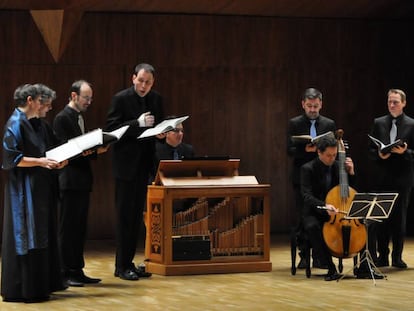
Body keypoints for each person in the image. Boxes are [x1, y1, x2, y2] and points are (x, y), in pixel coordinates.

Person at [1, 84, 67, 302]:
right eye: (42, 102)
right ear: (30, 100)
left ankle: (40, 286)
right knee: (25, 235)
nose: (44, 107)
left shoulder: (33, 123)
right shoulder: (15, 122)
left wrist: (55, 161)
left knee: (39, 234)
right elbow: (11, 158)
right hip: (21, 190)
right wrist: (41, 161)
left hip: (37, 188)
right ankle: (23, 289)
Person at [106, 63, 164, 281]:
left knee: (136, 217)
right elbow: (111, 130)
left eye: (148, 82)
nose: (143, 86)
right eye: (140, 80)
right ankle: (121, 266)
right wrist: (136, 123)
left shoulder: (156, 99)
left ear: (153, 83)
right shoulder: (120, 99)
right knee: (124, 217)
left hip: (144, 165)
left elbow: (158, 125)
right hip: (125, 166)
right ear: (133, 78)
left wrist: (160, 133)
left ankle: (129, 262)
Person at [53, 80, 104, 286]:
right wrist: (94, 150)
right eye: (86, 97)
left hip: (81, 181)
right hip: (69, 181)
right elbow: (67, 151)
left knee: (80, 228)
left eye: (91, 98)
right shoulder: (62, 118)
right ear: (74, 96)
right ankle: (65, 271)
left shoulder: (79, 117)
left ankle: (77, 269)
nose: (89, 102)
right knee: (68, 229)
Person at [287, 87, 336, 268]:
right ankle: (304, 256)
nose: (313, 109)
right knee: (303, 216)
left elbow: (332, 148)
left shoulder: (329, 124)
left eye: (316, 106)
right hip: (302, 176)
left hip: (323, 176)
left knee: (321, 215)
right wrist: (304, 150)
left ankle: (319, 255)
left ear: (321, 104)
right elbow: (289, 150)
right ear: (303, 104)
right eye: (309, 106)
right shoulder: (294, 123)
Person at [368, 89, 414, 269]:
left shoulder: (412, 124)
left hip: (403, 177)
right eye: (389, 102)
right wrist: (380, 154)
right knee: (381, 219)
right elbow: (370, 150)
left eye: (395, 102)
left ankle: (397, 257)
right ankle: (382, 256)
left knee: (399, 218)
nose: (392, 105)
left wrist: (406, 152)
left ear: (404, 103)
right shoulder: (378, 122)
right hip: (383, 177)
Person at [300, 135, 356, 281]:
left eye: (335, 155)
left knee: (366, 223)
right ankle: (330, 268)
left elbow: (350, 190)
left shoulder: (339, 166)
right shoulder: (307, 169)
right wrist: (324, 206)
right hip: (315, 211)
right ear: (319, 152)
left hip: (337, 211)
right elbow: (307, 196)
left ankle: (363, 268)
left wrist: (351, 173)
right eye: (328, 155)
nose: (332, 159)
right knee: (313, 227)